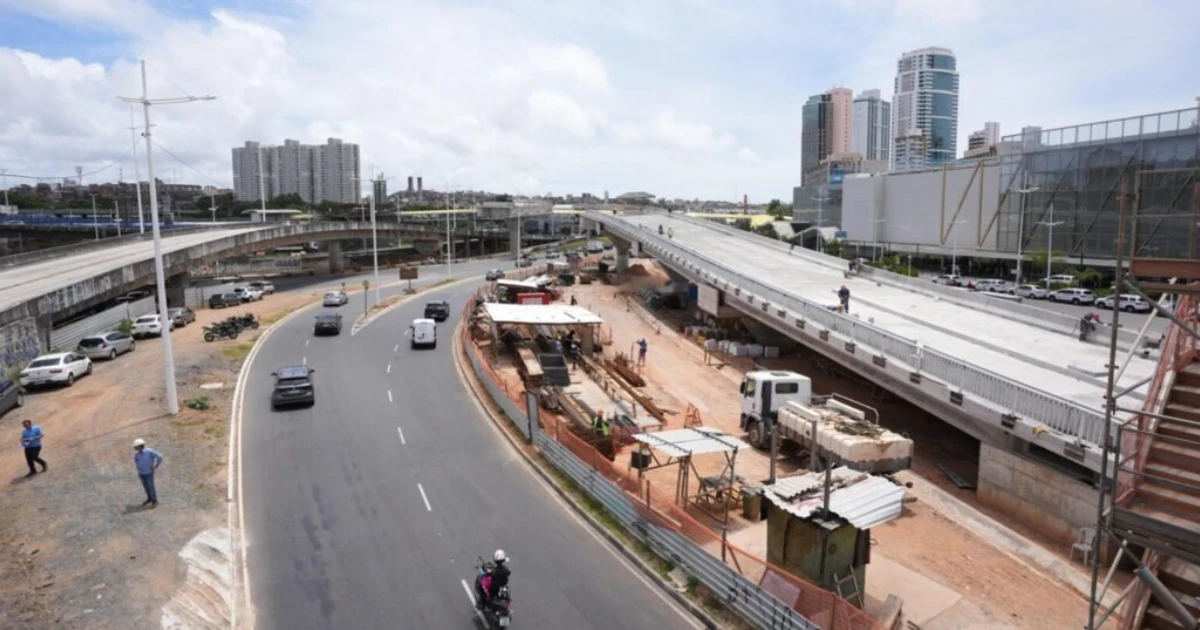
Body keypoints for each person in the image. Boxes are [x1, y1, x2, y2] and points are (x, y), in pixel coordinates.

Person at [132, 438, 163, 508]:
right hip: (141, 473)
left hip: (149, 473)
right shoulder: (137, 454)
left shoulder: (149, 451)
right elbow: (136, 461)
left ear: (140, 446)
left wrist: (156, 465)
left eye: (136, 447)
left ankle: (154, 501)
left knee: (151, 486)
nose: (135, 448)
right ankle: (149, 498)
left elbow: (160, 457)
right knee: (145, 486)